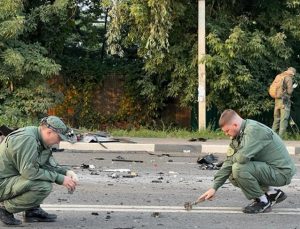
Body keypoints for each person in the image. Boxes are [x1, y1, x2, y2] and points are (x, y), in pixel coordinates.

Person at [198, 109, 296, 214]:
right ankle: (271, 193)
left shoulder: (254, 131)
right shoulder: (239, 134)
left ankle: (262, 201)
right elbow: (228, 161)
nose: (226, 134)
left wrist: (232, 159)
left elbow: (241, 158)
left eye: (227, 131)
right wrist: (214, 188)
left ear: (235, 125)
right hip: (269, 168)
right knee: (232, 172)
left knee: (238, 168)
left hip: (281, 172)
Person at [0, 116, 79, 225]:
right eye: (59, 138)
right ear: (49, 132)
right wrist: (59, 179)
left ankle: (32, 211)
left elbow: (47, 165)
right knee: (42, 186)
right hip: (2, 183)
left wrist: (67, 172)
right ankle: (4, 209)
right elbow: (29, 172)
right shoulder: (28, 139)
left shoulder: (41, 140)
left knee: (43, 176)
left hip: (9, 180)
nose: (58, 142)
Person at [272, 67, 297, 137]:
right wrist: (293, 87)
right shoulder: (288, 78)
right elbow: (289, 91)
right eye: (293, 74)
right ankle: (280, 139)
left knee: (276, 120)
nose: (293, 75)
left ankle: (271, 137)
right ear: (292, 72)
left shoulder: (279, 76)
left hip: (277, 101)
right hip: (284, 101)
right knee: (284, 120)